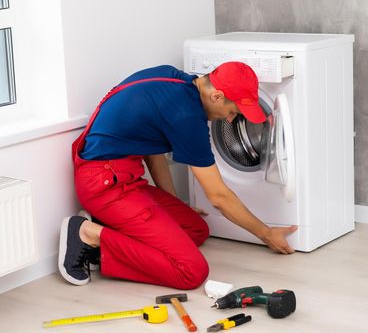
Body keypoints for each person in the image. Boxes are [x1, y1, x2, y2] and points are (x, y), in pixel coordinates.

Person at [58, 62, 298, 289]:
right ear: (217, 96)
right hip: (105, 185)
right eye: (233, 111)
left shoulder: (176, 80)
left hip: (122, 178)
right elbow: (218, 196)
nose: (230, 118)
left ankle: (105, 224)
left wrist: (172, 205)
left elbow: (152, 153)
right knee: (191, 271)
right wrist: (265, 233)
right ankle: (88, 233)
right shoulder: (187, 117)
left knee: (196, 229)